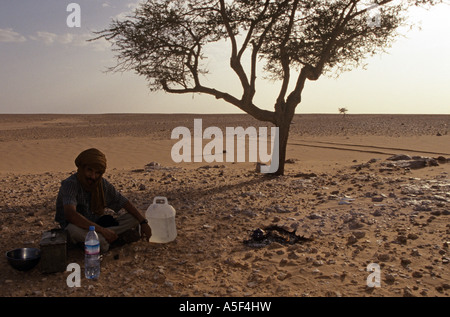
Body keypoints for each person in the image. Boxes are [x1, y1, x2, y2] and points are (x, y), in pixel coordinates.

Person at [55, 148, 152, 253]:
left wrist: (143, 222)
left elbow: (123, 201)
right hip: (78, 228)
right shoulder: (71, 184)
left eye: (97, 173)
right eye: (89, 170)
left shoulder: (101, 184)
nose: (93, 176)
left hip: (97, 225)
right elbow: (71, 215)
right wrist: (102, 230)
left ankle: (102, 239)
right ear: (81, 168)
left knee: (134, 218)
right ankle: (106, 240)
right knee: (72, 230)